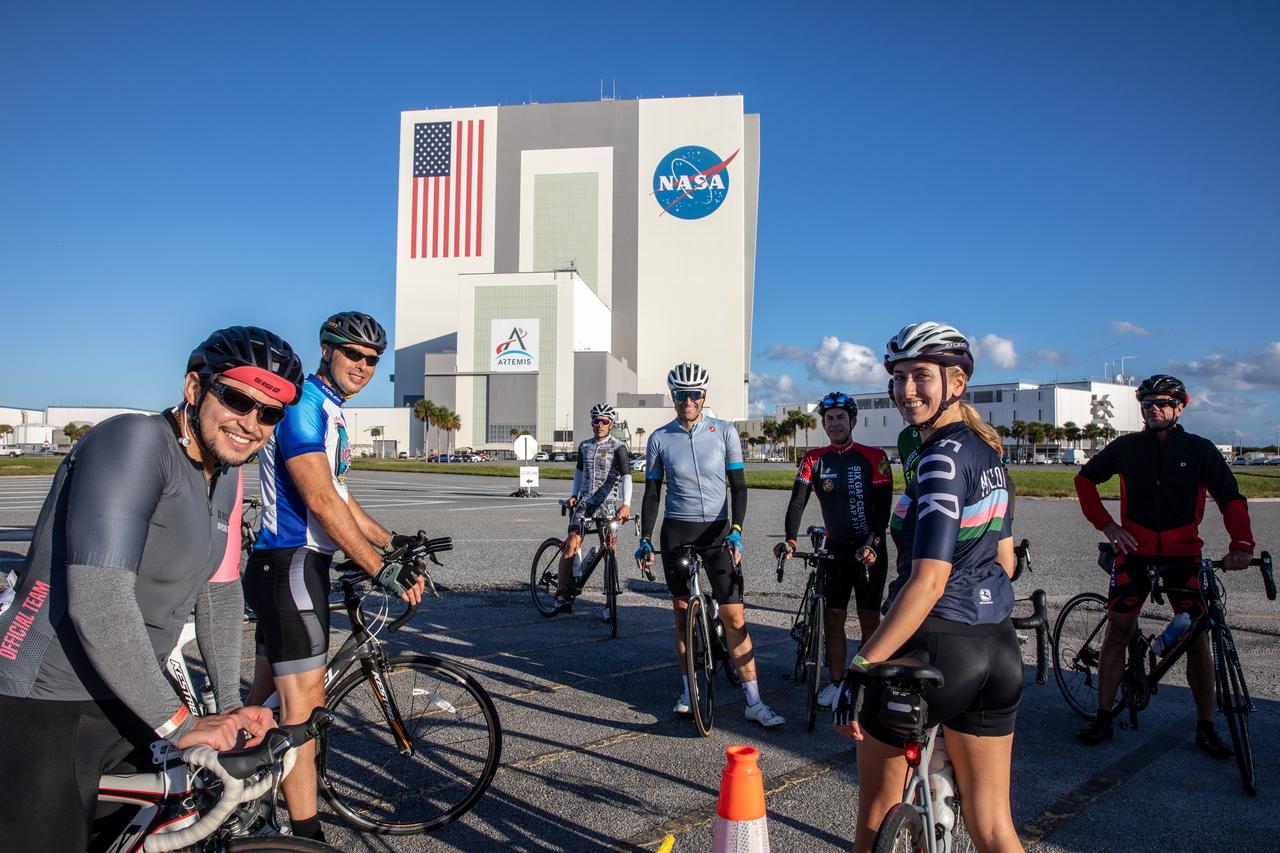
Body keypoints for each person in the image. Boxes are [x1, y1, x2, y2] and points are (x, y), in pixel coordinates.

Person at [0, 326, 303, 851]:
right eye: (237, 399)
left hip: (130, 697)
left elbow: (219, 592)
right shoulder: (132, 441)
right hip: (48, 701)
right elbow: (98, 602)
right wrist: (183, 725)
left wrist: (226, 709)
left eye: (269, 413)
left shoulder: (225, 474)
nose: (251, 424)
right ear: (194, 388)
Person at [834, 322, 1023, 853]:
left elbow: (930, 580)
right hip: (998, 649)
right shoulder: (989, 454)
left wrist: (861, 666)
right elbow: (1005, 561)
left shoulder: (940, 456)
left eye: (920, 376)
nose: (905, 390)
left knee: (875, 814)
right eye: (897, 377)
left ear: (956, 383)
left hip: (935, 646)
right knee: (993, 830)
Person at [243, 310, 425, 842]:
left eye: (372, 360)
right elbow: (320, 501)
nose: (363, 366)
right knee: (303, 713)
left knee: (264, 702)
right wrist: (379, 568)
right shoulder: (304, 403)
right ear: (327, 350)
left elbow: (342, 498)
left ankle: (236, 798)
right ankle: (305, 837)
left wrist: (391, 542)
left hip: (294, 567)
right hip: (292, 565)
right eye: (353, 354)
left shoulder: (332, 411)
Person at [1073, 373, 1254, 754]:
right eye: (1147, 403)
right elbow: (1085, 482)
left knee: (1197, 640)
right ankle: (1103, 717)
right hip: (1134, 555)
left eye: (1162, 402)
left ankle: (1206, 725)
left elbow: (1231, 499)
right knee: (1119, 632)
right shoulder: (1127, 448)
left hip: (1183, 557)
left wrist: (1241, 543)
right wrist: (1108, 526)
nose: (1154, 408)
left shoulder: (1200, 450)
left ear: (1180, 406)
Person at [636, 362, 785, 728]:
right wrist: (644, 538)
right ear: (672, 396)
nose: (688, 401)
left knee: (735, 617)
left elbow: (739, 487)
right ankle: (689, 692)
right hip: (677, 532)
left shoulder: (725, 433)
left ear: (704, 396)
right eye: (681, 395)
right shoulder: (659, 438)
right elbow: (653, 492)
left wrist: (736, 529)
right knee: (683, 614)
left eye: (694, 394)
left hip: (718, 532)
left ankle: (754, 701)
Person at [775, 391, 892, 708]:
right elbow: (797, 502)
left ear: (853, 421)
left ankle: (866, 683)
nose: (835, 423)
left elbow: (882, 513)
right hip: (835, 550)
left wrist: (873, 544)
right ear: (823, 424)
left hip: (869, 549)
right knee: (834, 617)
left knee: (869, 618)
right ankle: (838, 682)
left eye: (841, 417)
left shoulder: (874, 457)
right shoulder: (813, 459)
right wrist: (791, 539)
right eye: (829, 419)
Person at [553, 402, 632, 614]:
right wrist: (573, 495)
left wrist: (626, 504)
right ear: (592, 423)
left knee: (609, 552)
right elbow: (579, 473)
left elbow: (626, 476)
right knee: (571, 545)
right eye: (596, 421)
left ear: (610, 424)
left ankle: (609, 603)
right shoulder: (584, 446)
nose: (600, 424)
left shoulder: (618, 447)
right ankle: (560, 594)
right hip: (585, 503)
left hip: (607, 505)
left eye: (604, 421)